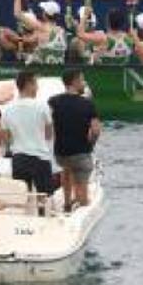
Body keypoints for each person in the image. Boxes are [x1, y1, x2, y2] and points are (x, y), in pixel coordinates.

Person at [49, 70, 101, 210]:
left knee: (66, 170)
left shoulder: (53, 102)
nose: (84, 83)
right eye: (82, 80)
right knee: (82, 184)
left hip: (61, 152)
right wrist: (91, 143)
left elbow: (49, 125)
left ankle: (67, 203)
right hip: (81, 151)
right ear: (75, 81)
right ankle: (81, 205)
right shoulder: (87, 104)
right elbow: (96, 130)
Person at [1, 71, 55, 196]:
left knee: (23, 197)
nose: (37, 88)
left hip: (19, 158)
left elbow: (6, 138)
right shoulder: (43, 106)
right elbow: (49, 134)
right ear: (28, 84)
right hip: (40, 157)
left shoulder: (7, 109)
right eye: (36, 84)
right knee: (45, 198)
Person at [13, 0, 68, 65]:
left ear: (45, 14)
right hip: (58, 70)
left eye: (43, 10)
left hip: (43, 70)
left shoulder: (41, 28)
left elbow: (17, 14)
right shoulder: (62, 31)